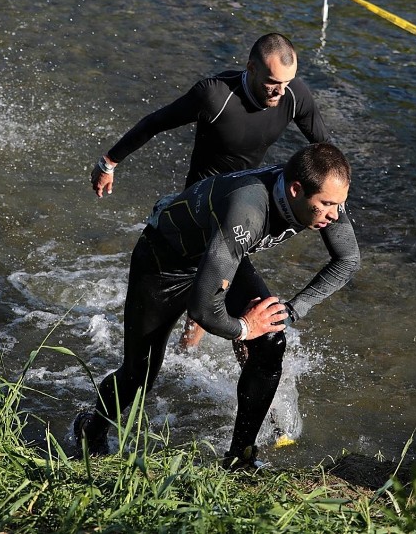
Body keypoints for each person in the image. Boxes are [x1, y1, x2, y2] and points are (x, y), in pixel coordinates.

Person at [75, 143, 359, 469]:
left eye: (340, 204)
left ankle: (240, 459)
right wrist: (244, 327)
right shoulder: (249, 213)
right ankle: (91, 428)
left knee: (271, 339)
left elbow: (348, 260)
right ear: (296, 189)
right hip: (164, 263)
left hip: (221, 257)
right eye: (327, 205)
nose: (336, 215)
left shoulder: (323, 198)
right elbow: (203, 311)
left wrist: (293, 310)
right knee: (140, 374)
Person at [90, 32, 330, 349]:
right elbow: (155, 123)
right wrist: (109, 162)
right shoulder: (215, 96)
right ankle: (191, 349)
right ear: (252, 68)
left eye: (287, 82)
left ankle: (193, 350)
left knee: (247, 312)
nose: (280, 92)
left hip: (246, 212)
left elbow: (327, 152)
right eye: (273, 82)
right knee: (228, 302)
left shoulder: (293, 95)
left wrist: (330, 203)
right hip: (203, 214)